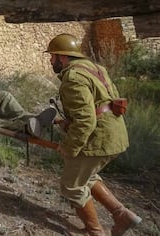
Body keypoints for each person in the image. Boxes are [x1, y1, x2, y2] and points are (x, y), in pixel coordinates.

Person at [45, 33, 141, 235]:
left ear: (63, 57)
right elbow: (102, 103)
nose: (51, 61)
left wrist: (70, 147)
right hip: (114, 134)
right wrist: (67, 122)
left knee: (71, 185)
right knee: (87, 176)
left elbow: (87, 119)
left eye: (52, 56)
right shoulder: (95, 68)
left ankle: (95, 231)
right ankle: (122, 215)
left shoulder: (73, 77)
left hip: (98, 138)